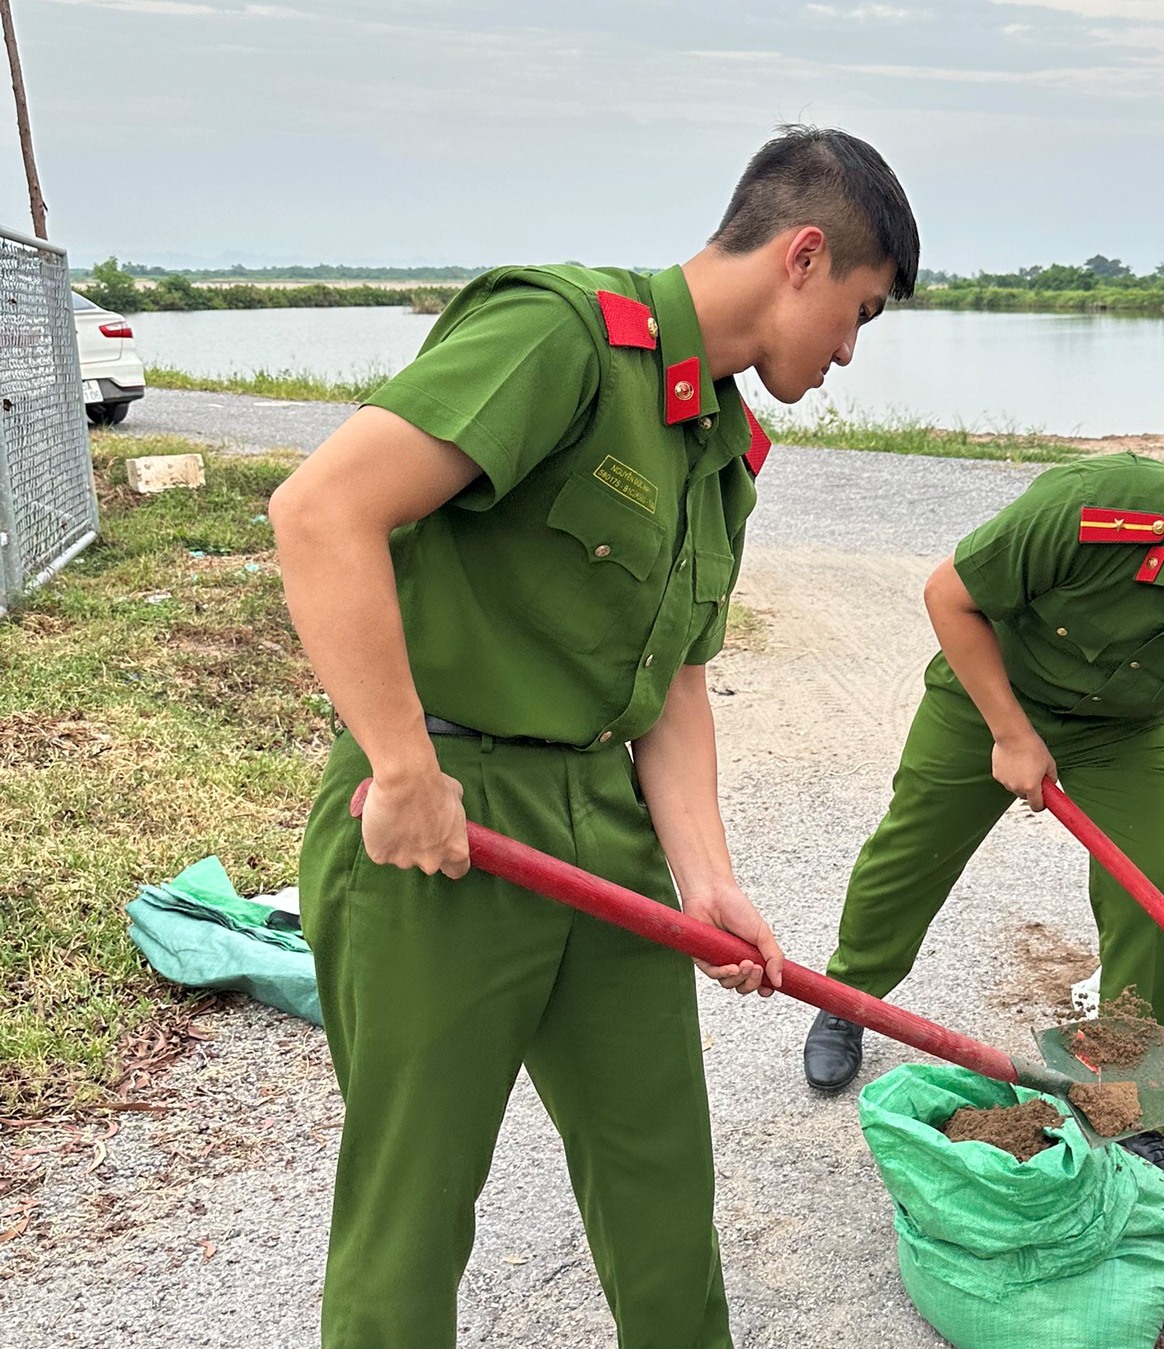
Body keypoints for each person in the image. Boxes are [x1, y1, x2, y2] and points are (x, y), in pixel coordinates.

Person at [270, 125, 918, 1348]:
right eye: (859, 311)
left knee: (659, 1175)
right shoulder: (564, 335)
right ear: (805, 253)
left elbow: (670, 684)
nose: (845, 351)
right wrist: (404, 766)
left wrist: (709, 882)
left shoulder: (718, 446)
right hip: (440, 828)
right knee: (413, 1213)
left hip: (601, 830)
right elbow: (321, 511)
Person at [803, 425, 1164, 1225]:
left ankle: (1128, 1107)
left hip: (1121, 731)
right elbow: (949, 595)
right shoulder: (1092, 509)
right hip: (990, 694)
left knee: (1157, 892)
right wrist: (1009, 731)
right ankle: (847, 995)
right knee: (914, 849)